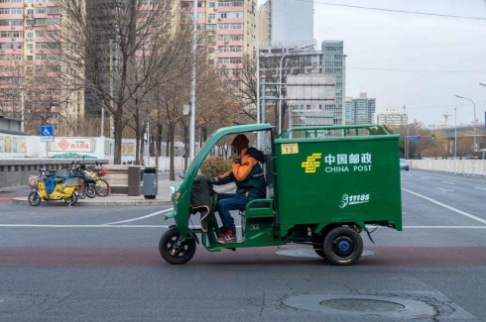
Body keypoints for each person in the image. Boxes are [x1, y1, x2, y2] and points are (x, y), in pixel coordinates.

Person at [212, 134, 266, 244]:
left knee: (223, 204)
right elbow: (231, 175)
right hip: (245, 194)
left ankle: (230, 233)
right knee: (217, 197)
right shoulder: (243, 158)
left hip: (252, 196)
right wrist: (212, 180)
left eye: (234, 148)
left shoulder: (249, 159)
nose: (233, 151)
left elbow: (240, 175)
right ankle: (227, 225)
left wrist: (235, 162)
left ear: (238, 147)